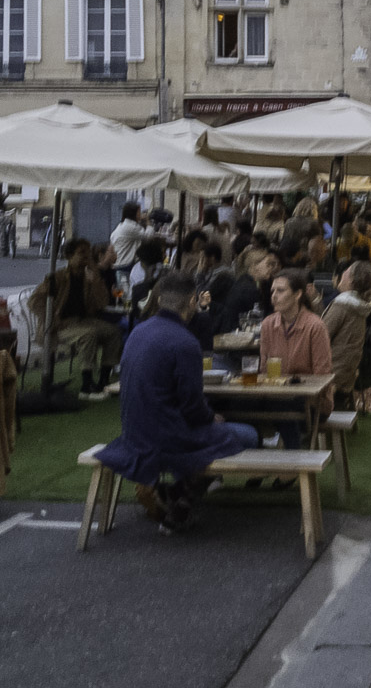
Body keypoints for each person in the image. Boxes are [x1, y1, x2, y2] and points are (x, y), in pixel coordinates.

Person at [96, 271, 257, 529]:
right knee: (246, 435)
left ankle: (172, 499)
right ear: (193, 301)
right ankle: (177, 498)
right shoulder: (185, 342)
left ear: (159, 300)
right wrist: (210, 417)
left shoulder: (139, 332)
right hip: (167, 436)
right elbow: (192, 407)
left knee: (218, 430)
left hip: (133, 431)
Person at [30, 239, 121, 397]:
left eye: (87, 253)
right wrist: (49, 319)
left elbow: (102, 302)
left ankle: (104, 379)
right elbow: (34, 301)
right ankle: (86, 385)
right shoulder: (57, 278)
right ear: (69, 256)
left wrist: (96, 275)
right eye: (81, 253)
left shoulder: (89, 278)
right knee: (88, 334)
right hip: (60, 325)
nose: (86, 257)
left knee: (114, 332)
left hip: (82, 321)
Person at [259, 267, 335, 445]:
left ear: (298, 294)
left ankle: (293, 463)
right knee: (236, 406)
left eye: (280, 290)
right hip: (277, 396)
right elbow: (263, 370)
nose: (274, 296)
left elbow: (322, 376)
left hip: (314, 402)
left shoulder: (315, 327)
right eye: (272, 291)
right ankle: (255, 461)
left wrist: (291, 386)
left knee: (282, 406)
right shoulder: (268, 325)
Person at [324, 261, 371, 407]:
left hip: (333, 371)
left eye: (346, 272)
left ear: (351, 279)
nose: (342, 274)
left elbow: (321, 336)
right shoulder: (357, 304)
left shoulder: (343, 306)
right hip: (346, 369)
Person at [218, 250, 280, 334]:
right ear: (254, 266)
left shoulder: (245, 281)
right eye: (267, 264)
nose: (270, 268)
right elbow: (259, 318)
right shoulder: (249, 289)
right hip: (237, 334)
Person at [110, 201, 155, 277]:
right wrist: (148, 222)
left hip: (120, 264)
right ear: (134, 213)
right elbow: (148, 237)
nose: (141, 214)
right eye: (139, 211)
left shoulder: (124, 225)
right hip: (125, 265)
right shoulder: (131, 227)